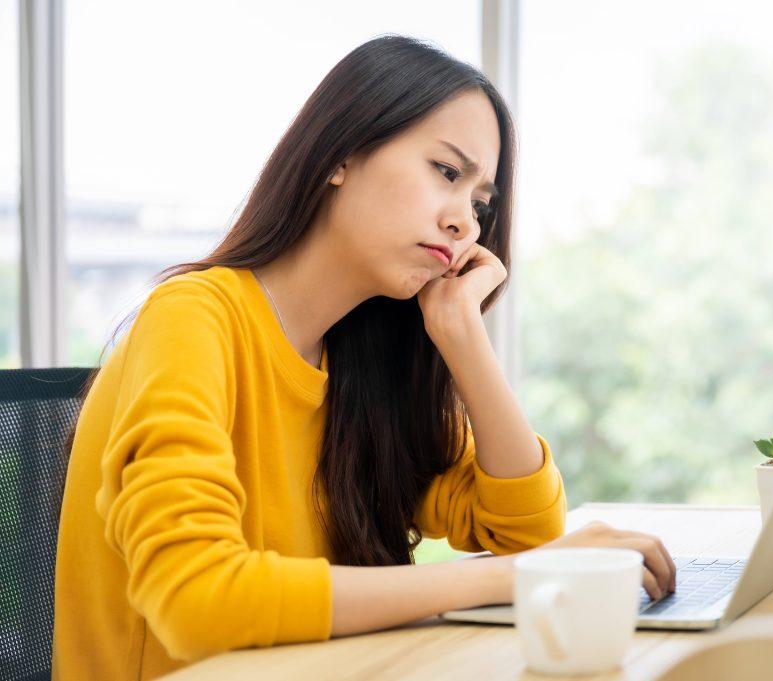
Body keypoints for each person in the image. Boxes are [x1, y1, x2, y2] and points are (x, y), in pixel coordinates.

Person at [52, 35, 675, 680]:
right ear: (341, 156)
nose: (465, 220)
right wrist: (507, 580)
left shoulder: (361, 362)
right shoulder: (192, 318)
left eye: (480, 203)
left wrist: (463, 336)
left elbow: (531, 535)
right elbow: (196, 599)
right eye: (447, 172)